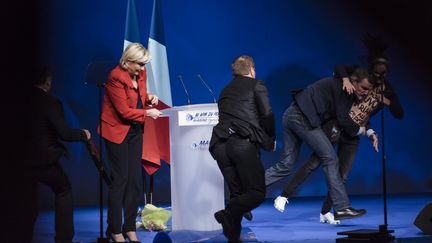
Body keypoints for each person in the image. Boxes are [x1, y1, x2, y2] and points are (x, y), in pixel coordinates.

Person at [277, 58, 404, 225]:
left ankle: (327, 212)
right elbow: (339, 67)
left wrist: (384, 103)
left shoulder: (385, 89)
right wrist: (345, 79)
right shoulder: (360, 76)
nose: (378, 76)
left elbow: (389, 113)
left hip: (354, 132)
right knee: (314, 163)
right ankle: (285, 195)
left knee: (342, 176)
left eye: (383, 73)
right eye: (376, 72)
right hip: (337, 124)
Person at [265, 67, 374, 221]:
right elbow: (344, 120)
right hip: (303, 119)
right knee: (330, 158)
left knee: (286, 164)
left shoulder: (345, 86)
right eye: (363, 88)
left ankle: (252, 189)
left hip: (290, 114)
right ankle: (342, 207)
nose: (365, 92)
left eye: (368, 90)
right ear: (353, 82)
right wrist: (362, 130)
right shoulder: (344, 87)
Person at [209, 55, 276, 242]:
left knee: (238, 194)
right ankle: (226, 213)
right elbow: (267, 114)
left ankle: (233, 238)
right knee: (256, 193)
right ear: (251, 70)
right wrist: (270, 139)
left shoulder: (225, 90)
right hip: (241, 145)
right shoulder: (257, 85)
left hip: (220, 146)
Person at [100, 43, 162, 243]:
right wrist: (147, 112)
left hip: (135, 131)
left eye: (144, 65)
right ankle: (115, 230)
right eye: (139, 65)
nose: (143, 69)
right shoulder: (115, 77)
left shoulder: (140, 74)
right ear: (128, 61)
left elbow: (139, 98)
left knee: (134, 182)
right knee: (120, 181)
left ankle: (129, 228)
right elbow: (124, 111)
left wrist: (149, 99)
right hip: (116, 131)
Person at [28, 66, 91, 243]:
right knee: (63, 189)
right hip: (44, 161)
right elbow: (65, 134)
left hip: (21, 162)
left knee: (26, 200)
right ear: (47, 81)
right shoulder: (50, 102)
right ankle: (64, 240)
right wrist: (83, 134)